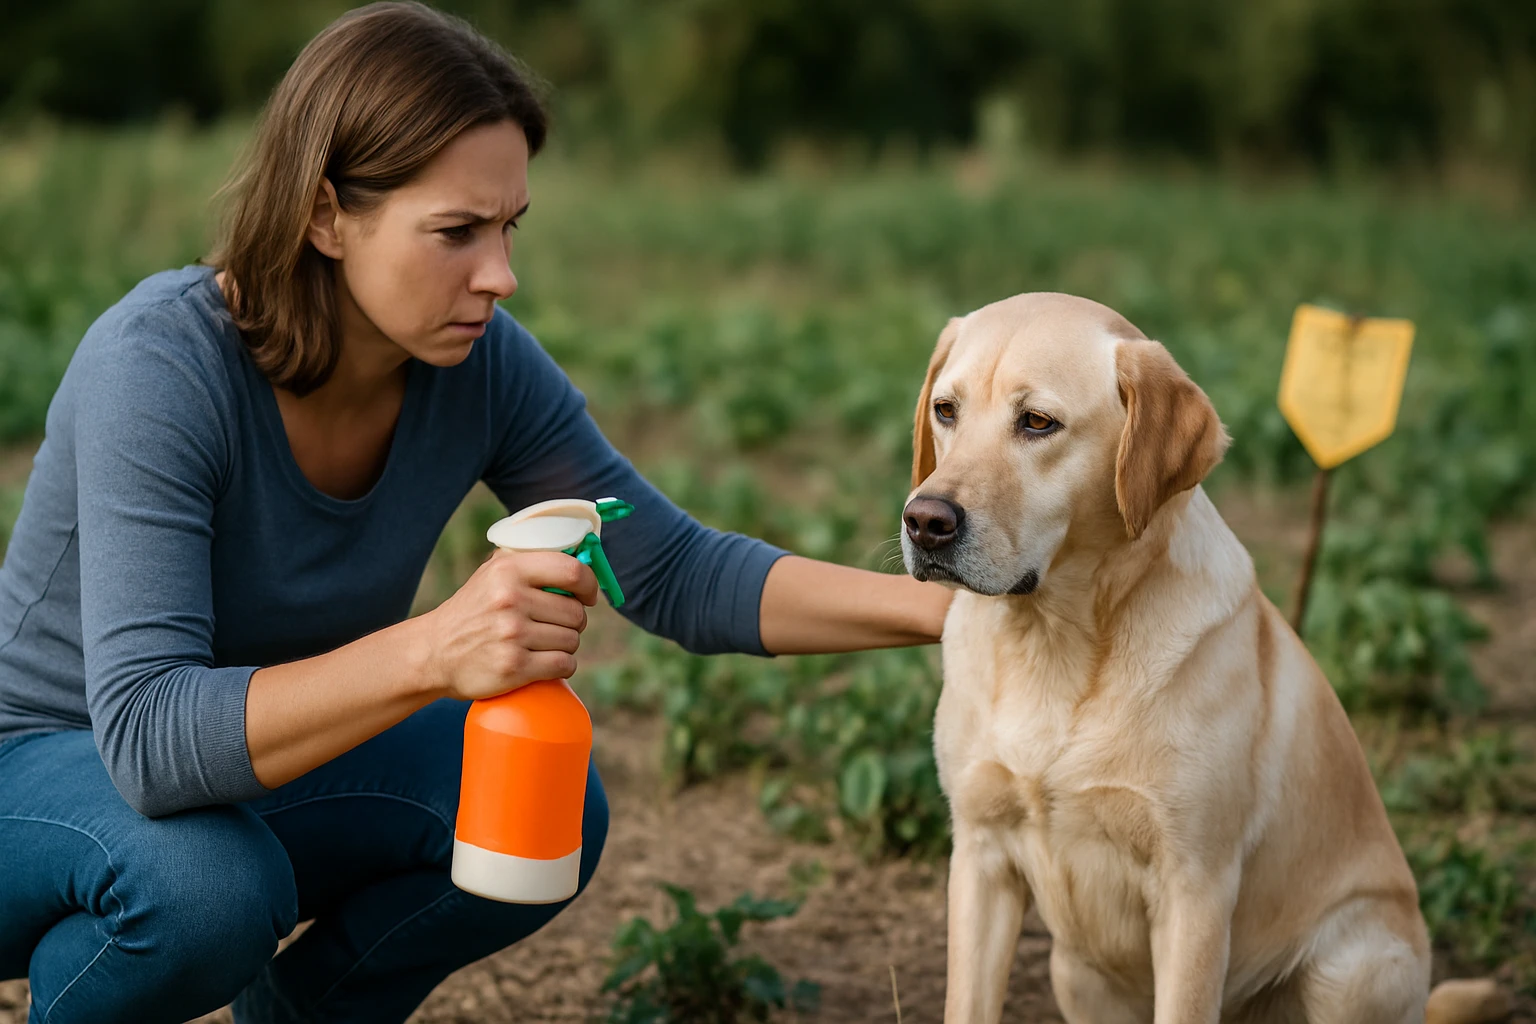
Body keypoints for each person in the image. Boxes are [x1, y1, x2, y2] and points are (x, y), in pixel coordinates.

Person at [0, 4, 952, 1022]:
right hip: (46, 772)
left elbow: (674, 570)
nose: (500, 275)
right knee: (203, 889)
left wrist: (952, 613)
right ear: (325, 215)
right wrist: (433, 650)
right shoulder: (159, 366)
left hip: (240, 775)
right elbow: (147, 738)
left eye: (508, 227)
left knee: (541, 808)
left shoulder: (475, 365)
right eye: (456, 232)